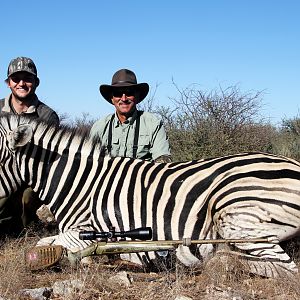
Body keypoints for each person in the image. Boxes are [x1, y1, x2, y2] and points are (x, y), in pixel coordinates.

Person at [0, 56, 59, 236]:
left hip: (32, 176)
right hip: (3, 169)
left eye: (27, 79)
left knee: (27, 197)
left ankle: (27, 235)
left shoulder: (47, 116)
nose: (21, 83)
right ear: (8, 83)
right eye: (16, 79)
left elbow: (47, 161)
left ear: (36, 82)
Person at [90, 69, 171, 163]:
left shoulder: (153, 123)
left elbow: (162, 160)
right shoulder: (99, 127)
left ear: (137, 96)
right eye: (118, 94)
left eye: (129, 93)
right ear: (112, 99)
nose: (124, 98)